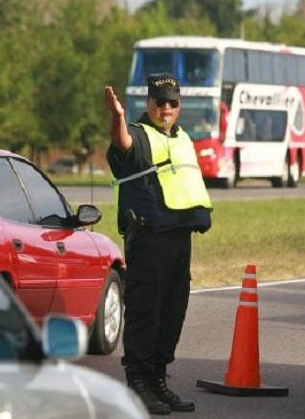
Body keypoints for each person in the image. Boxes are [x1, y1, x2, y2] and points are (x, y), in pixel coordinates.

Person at [104, 74, 212, 415]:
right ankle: (137, 381)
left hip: (180, 236)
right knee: (145, 310)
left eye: (172, 103)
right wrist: (118, 117)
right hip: (148, 237)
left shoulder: (183, 139)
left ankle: (158, 378)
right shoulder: (137, 132)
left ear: (179, 106)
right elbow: (122, 144)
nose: (166, 108)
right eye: (160, 102)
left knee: (172, 312)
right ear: (149, 103)